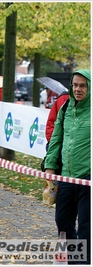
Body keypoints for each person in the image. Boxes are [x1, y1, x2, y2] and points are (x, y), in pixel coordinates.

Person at [45, 69, 90, 265]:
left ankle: (85, 261)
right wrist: (50, 167)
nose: (78, 89)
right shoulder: (65, 108)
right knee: (63, 223)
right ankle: (72, 259)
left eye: (83, 86)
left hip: (88, 179)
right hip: (66, 177)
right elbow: (56, 139)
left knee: (87, 227)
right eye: (75, 85)